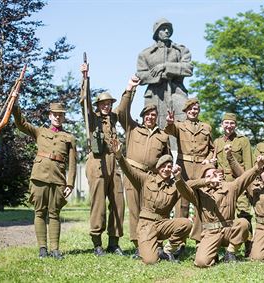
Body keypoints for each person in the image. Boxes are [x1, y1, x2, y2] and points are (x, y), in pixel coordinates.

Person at [174, 155, 264, 267]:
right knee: (201, 262)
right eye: (208, 175)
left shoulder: (231, 187)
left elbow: (244, 178)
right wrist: (180, 177)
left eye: (214, 174)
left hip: (228, 230)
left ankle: (230, 252)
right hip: (210, 233)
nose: (212, 177)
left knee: (243, 223)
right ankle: (212, 254)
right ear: (204, 178)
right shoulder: (199, 194)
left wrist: (257, 167)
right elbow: (186, 186)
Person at [112, 137, 192, 264]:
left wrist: (206, 181)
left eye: (169, 166)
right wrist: (119, 155)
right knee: (151, 261)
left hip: (163, 225)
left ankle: (167, 250)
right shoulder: (146, 179)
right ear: (158, 167)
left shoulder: (175, 184)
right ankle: (151, 249)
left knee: (186, 223)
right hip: (146, 226)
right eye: (163, 166)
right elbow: (129, 171)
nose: (166, 169)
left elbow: (192, 185)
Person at [12, 102, 76, 260]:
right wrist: (15, 107)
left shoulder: (69, 137)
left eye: (60, 114)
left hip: (58, 179)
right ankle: (42, 248)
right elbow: (21, 124)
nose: (57, 117)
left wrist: (70, 184)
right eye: (54, 114)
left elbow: (73, 163)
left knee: (54, 214)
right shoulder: (39, 131)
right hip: (39, 177)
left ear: (63, 117)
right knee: (39, 212)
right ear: (50, 116)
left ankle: (55, 249)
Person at [116, 76, 170, 258]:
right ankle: (139, 245)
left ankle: (156, 243)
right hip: (132, 173)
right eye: (147, 115)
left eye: (153, 115)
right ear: (143, 117)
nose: (150, 117)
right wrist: (130, 88)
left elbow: (166, 158)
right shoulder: (132, 128)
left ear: (156, 118)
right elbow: (122, 112)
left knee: (153, 211)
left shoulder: (162, 136)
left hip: (151, 177)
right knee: (134, 210)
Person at [80, 64, 125, 256]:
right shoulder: (92, 118)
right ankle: (97, 243)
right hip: (97, 163)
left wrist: (129, 89)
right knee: (98, 204)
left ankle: (113, 243)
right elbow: (85, 101)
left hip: (113, 162)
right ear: (98, 105)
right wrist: (85, 77)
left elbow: (124, 106)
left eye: (109, 103)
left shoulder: (114, 118)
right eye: (103, 103)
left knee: (118, 203)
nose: (107, 106)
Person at [136, 18, 193, 128]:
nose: (167, 31)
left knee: (182, 127)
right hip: (154, 95)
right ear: (157, 32)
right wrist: (160, 76)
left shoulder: (180, 50)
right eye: (163, 29)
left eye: (169, 29)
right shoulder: (145, 54)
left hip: (177, 92)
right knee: (154, 128)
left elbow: (188, 68)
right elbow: (141, 76)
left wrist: (165, 66)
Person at [211, 112, 253, 256]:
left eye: (232, 123)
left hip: (239, 182)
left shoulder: (243, 141)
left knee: (244, 213)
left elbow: (249, 164)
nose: (229, 126)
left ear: (235, 125)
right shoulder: (217, 142)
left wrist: (248, 184)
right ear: (222, 125)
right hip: (223, 185)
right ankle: (224, 245)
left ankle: (249, 245)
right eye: (226, 123)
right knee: (223, 214)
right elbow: (214, 163)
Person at [164, 98, 214, 219]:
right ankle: (180, 235)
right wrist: (170, 122)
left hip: (201, 168)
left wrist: (208, 159)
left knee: (202, 201)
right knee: (182, 202)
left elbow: (212, 149)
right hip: (184, 167)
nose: (193, 111)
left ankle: (200, 236)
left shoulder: (206, 127)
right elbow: (170, 130)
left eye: (195, 109)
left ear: (199, 111)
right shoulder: (179, 125)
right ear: (186, 111)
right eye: (190, 109)